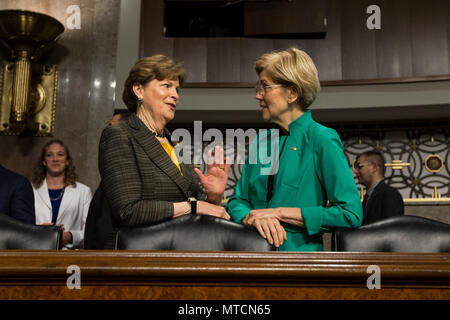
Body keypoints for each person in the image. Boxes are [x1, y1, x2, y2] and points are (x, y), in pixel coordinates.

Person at [226, 47, 362, 251]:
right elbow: (237, 202)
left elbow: (350, 214)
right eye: (258, 87)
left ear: (292, 93)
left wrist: (278, 213)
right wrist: (252, 217)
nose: (258, 96)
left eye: (265, 87)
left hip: (299, 266)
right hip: (250, 260)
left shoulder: (322, 139)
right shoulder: (261, 142)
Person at [98, 54, 230, 230]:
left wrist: (213, 196)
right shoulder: (118, 136)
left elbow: (199, 206)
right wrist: (191, 207)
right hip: (138, 253)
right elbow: (128, 210)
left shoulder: (176, 145)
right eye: (166, 86)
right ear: (139, 89)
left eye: (177, 90)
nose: (175, 95)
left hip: (178, 249)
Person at [32, 139, 92, 249]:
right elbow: (21, 226)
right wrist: (38, 230)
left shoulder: (83, 192)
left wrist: (70, 236)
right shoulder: (30, 190)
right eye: (50, 155)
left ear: (67, 161)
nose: (55, 159)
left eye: (60, 154)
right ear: (44, 161)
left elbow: (90, 231)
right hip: (37, 250)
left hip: (69, 254)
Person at [353, 149, 404, 225]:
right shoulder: (369, 196)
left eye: (359, 167)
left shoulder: (389, 194)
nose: (355, 171)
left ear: (374, 167)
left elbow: (391, 230)